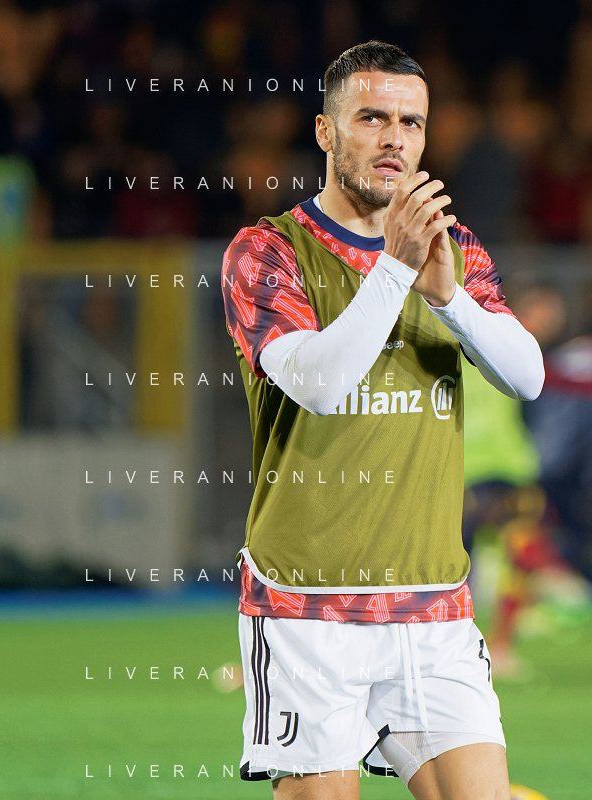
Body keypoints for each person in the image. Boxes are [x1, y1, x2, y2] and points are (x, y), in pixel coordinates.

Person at [219, 41, 544, 800]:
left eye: (411, 122)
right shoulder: (267, 251)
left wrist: (447, 297)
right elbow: (321, 385)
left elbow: (526, 375)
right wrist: (395, 267)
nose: (394, 138)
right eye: (371, 118)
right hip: (307, 608)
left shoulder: (452, 252)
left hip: (433, 604)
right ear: (326, 132)